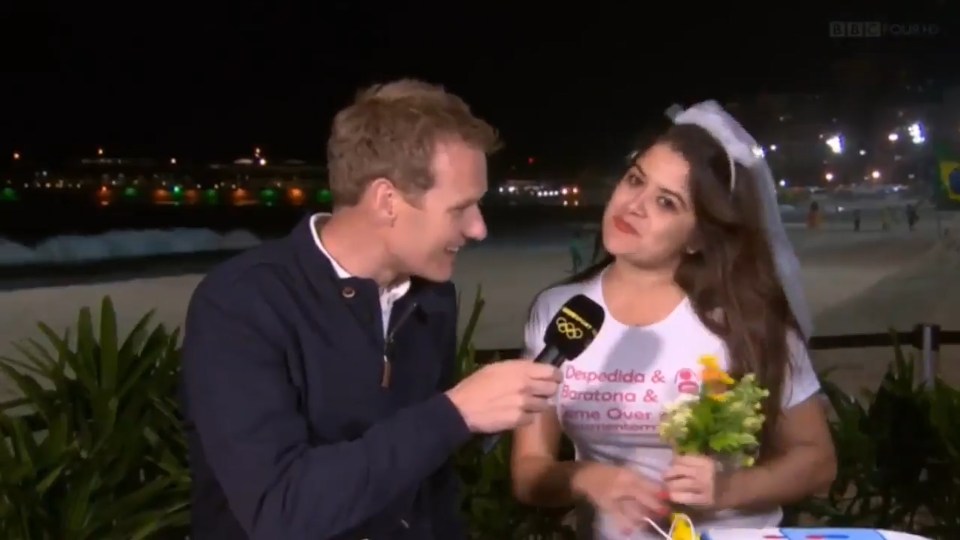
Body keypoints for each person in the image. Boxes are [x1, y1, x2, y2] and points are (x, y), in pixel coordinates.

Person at [179, 79, 562, 540]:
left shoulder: (432, 296)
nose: (479, 228)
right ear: (387, 201)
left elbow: (428, 481)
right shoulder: (241, 303)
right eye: (461, 208)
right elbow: (280, 509)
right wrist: (454, 413)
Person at [510, 101, 836, 539]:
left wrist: (728, 489)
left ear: (699, 235)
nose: (634, 206)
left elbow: (817, 460)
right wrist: (585, 477)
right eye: (634, 180)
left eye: (666, 202)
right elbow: (529, 473)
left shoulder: (744, 316)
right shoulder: (558, 311)